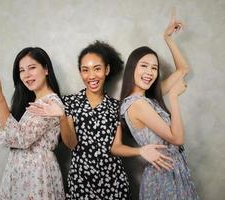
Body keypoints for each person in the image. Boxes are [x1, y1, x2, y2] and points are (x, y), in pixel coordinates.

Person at [28, 41, 173, 199]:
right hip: (80, 185)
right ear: (80, 72)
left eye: (97, 69)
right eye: (85, 70)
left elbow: (156, 90)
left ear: (107, 70)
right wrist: (62, 117)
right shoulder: (68, 103)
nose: (91, 76)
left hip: (114, 185)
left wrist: (168, 39)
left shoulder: (118, 107)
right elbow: (71, 144)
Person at [0, 47, 65, 200]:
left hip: (37, 175)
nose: (26, 75)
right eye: (22, 70)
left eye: (32, 67)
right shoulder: (29, 103)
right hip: (18, 172)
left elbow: (19, 138)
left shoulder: (51, 103)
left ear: (46, 69)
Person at [119, 11, 199, 199]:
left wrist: (168, 38)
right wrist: (173, 97)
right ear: (132, 68)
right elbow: (177, 138)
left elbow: (183, 70)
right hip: (163, 176)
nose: (150, 72)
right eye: (144, 66)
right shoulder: (138, 104)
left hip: (173, 170)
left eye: (154, 68)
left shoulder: (148, 98)